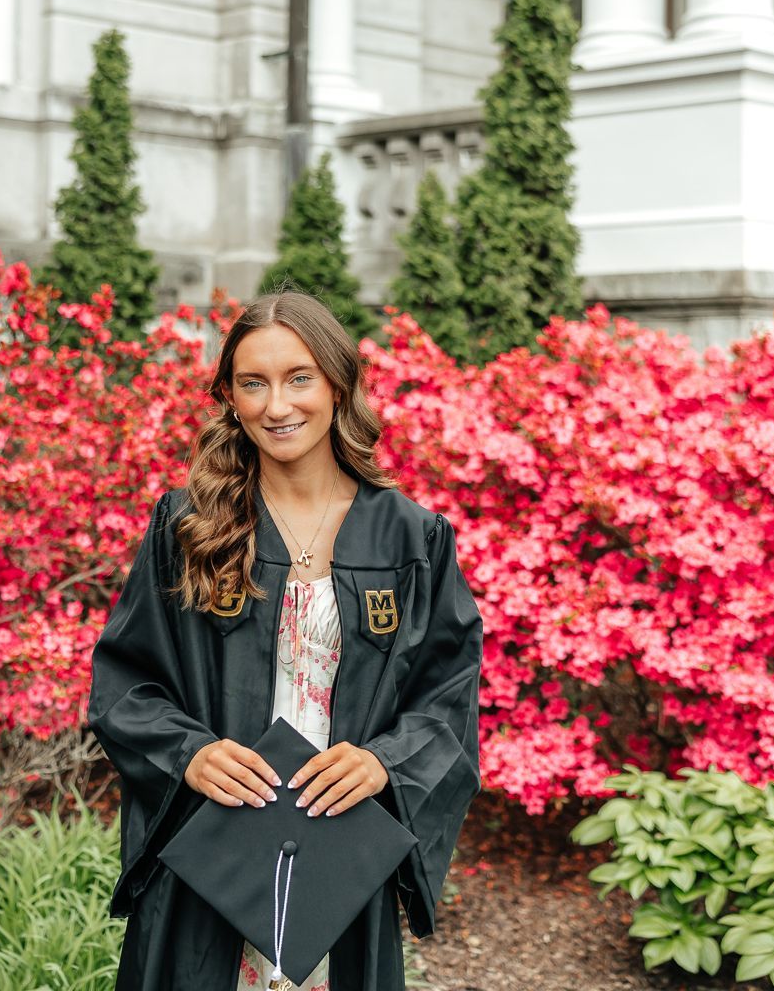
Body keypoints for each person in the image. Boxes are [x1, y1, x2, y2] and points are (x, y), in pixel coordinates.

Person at [86, 290, 484, 991]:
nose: (278, 405)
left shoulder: (409, 538)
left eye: (299, 377)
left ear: (337, 385)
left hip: (337, 842)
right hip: (218, 841)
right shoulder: (190, 527)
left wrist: (384, 763)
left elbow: (447, 699)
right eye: (253, 382)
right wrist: (191, 753)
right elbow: (126, 685)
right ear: (230, 398)